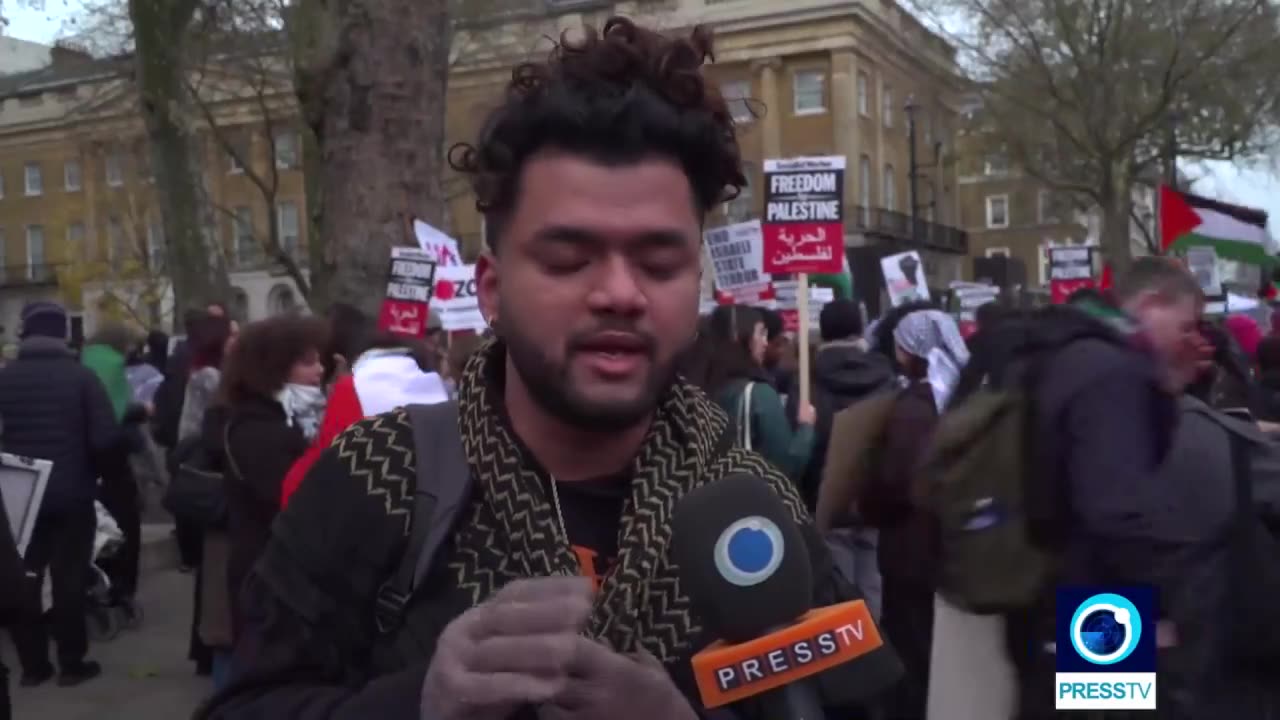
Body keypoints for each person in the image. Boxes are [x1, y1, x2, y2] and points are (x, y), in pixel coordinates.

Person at [199, 17, 896, 719]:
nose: (620, 293)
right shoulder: (377, 479)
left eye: (658, 263)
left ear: (696, 287)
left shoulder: (759, 510)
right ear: (492, 290)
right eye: (568, 259)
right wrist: (419, 703)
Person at [0, 302, 119, 687]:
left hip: (18, 497)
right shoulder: (82, 378)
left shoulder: (5, 378)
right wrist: (97, 477)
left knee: (25, 575)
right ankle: (72, 663)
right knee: (69, 577)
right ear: (63, 335)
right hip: (72, 493)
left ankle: (33, 666)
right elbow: (105, 438)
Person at [860, 309, 968, 720]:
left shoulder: (912, 408)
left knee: (913, 652)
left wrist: (867, 501)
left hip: (911, 550)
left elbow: (897, 482)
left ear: (908, 351)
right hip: (946, 548)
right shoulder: (960, 396)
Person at [213, 317, 328, 660]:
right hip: (267, 577)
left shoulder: (277, 422)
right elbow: (293, 502)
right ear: (273, 368)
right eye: (308, 363)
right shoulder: (258, 431)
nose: (319, 371)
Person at [81, 322, 151, 621]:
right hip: (115, 465)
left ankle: (97, 588)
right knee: (125, 529)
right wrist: (141, 412)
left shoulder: (84, 360)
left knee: (94, 533)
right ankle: (122, 591)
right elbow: (116, 411)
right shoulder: (112, 365)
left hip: (83, 466)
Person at [178, 313, 235, 678]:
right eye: (231, 334)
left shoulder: (206, 373)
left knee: (208, 570)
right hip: (207, 474)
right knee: (210, 569)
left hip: (201, 467)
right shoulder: (212, 378)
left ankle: (203, 648)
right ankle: (205, 649)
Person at [698, 304, 816, 480]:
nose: (765, 342)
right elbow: (786, 466)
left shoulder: (695, 388)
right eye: (760, 333)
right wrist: (806, 427)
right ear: (740, 337)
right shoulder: (758, 394)